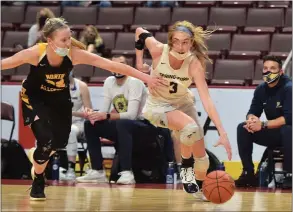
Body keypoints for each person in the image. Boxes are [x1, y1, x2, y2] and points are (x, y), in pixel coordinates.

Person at [1, 17, 165, 201]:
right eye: (63, 40)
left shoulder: (74, 54)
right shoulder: (35, 53)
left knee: (58, 144)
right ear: (50, 41)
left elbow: (113, 65)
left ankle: (36, 154)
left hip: (59, 100)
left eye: (69, 38)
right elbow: (4, 64)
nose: (68, 43)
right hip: (35, 98)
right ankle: (38, 179)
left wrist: (147, 79)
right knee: (46, 141)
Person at [134, 21, 232, 199]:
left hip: (183, 102)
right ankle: (185, 169)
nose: (180, 46)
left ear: (192, 43)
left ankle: (201, 188)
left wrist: (222, 131)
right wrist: (140, 63)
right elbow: (139, 31)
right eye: (176, 41)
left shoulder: (194, 63)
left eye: (185, 42)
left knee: (202, 160)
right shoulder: (157, 50)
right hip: (157, 106)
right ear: (170, 41)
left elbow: (207, 99)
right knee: (189, 128)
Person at [76, 55, 147, 184]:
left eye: (121, 64)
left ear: (127, 66)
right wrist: (94, 115)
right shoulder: (109, 81)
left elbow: (132, 115)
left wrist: (106, 115)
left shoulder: (135, 82)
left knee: (123, 123)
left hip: (144, 127)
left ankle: (127, 173)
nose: (117, 68)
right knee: (90, 124)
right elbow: (104, 111)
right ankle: (97, 170)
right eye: (114, 65)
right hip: (124, 127)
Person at [235, 55, 292, 189]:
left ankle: (289, 174)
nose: (268, 71)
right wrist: (251, 120)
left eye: (272, 68)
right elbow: (253, 110)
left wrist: (263, 124)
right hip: (274, 132)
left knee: (288, 129)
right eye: (265, 68)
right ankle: (248, 173)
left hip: (289, 133)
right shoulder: (261, 89)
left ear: (281, 72)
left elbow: (289, 118)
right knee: (242, 128)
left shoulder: (289, 88)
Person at [61, 73, 92, 181]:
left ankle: (71, 169)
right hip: (58, 123)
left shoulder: (82, 86)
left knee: (71, 131)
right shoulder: (51, 86)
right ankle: (45, 169)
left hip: (77, 123)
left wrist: (71, 113)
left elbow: (89, 112)